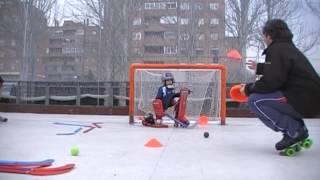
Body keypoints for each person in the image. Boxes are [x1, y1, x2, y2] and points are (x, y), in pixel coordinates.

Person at [240, 19, 320, 151]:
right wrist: (260, 67)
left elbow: (271, 82)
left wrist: (248, 89)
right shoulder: (287, 48)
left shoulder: (276, 49)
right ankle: (297, 126)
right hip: (309, 99)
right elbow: (283, 71)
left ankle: (294, 130)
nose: (264, 39)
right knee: (265, 97)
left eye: (263, 36)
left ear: (268, 36)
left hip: (302, 99)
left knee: (255, 100)